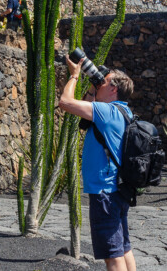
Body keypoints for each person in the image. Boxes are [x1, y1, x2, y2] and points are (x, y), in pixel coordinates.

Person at [59, 56, 136, 271]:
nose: (100, 82)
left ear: (113, 90)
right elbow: (85, 111)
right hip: (118, 190)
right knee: (123, 247)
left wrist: (75, 75)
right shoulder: (123, 111)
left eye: (105, 81)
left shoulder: (105, 112)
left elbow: (65, 102)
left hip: (104, 193)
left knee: (112, 256)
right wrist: (95, 86)